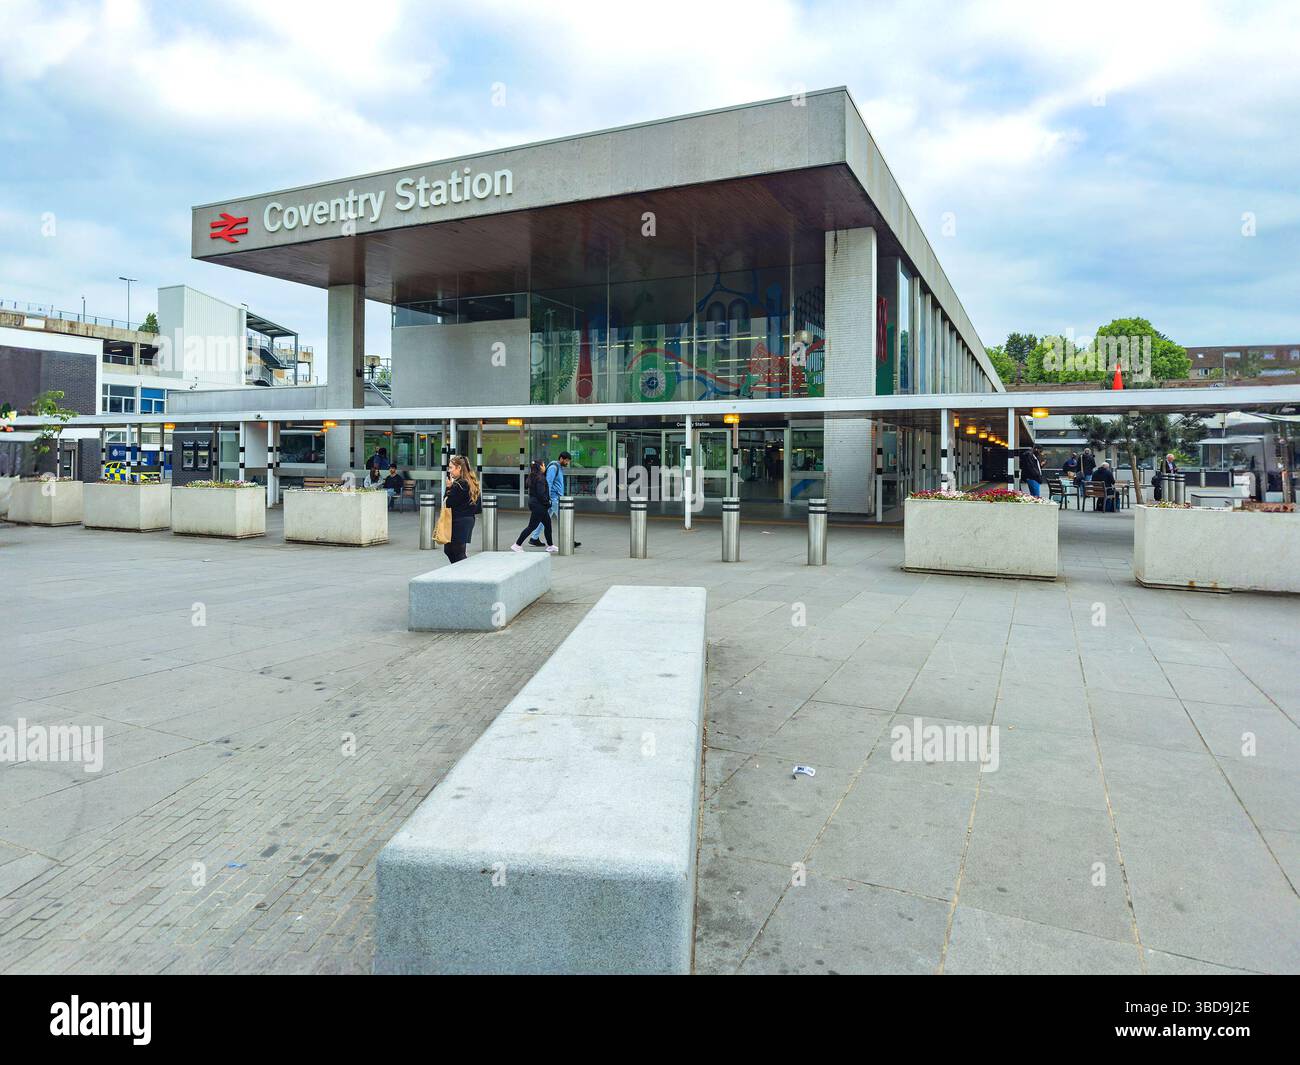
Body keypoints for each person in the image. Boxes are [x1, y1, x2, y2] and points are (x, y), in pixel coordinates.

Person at [529, 451, 581, 549]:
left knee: (544, 519)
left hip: (554, 498)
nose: (567, 463)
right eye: (566, 461)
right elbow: (548, 482)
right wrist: (548, 498)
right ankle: (570, 540)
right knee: (563, 518)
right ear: (561, 458)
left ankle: (534, 538)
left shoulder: (559, 467)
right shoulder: (554, 467)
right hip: (554, 499)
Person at [442, 454, 480, 564]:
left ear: (459, 468)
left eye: (451, 468)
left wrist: (448, 488)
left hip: (458, 521)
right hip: (467, 520)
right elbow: (477, 508)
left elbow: (447, 503)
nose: (449, 471)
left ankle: (466, 573)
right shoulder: (472, 483)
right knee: (450, 550)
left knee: (457, 552)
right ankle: (458, 572)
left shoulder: (459, 485)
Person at [513, 460, 557, 553]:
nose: (545, 467)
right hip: (539, 505)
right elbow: (541, 494)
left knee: (548, 525)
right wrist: (547, 503)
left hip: (536, 504)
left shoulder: (533, 476)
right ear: (540, 466)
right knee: (532, 526)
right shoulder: (540, 478)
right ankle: (517, 544)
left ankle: (550, 545)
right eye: (544, 465)